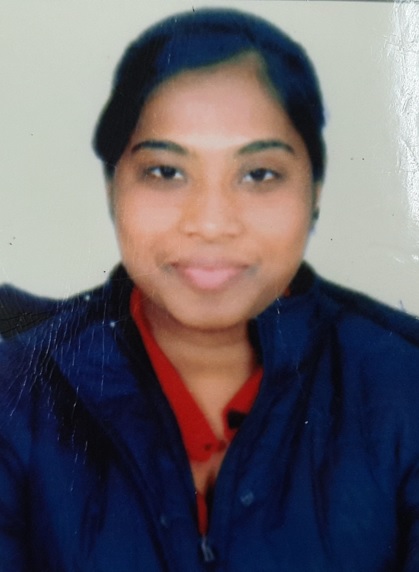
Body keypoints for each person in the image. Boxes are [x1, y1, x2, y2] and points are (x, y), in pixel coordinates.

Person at [0, 8, 419, 571]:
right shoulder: (15, 392)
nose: (212, 222)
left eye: (259, 175)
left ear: (315, 189)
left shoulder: (405, 383)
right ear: (112, 185)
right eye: (166, 172)